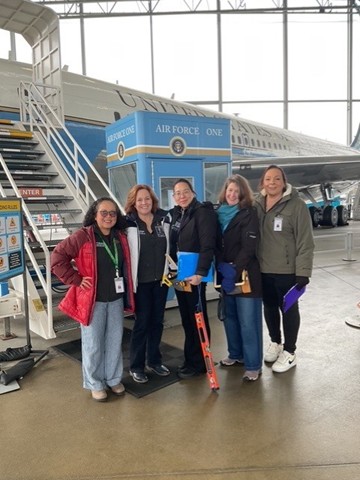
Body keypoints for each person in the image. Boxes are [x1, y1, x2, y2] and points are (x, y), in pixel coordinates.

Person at [51, 197, 135, 401]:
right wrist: (76, 279)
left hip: (115, 298)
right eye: (103, 213)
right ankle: (95, 382)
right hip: (92, 301)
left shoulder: (119, 236)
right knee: (93, 344)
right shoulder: (83, 236)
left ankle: (113, 379)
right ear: (94, 215)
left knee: (114, 341)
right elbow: (57, 258)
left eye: (112, 213)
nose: (108, 217)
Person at [254, 165, 314, 373]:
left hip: (288, 272)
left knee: (288, 309)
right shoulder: (257, 204)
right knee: (269, 307)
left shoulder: (297, 206)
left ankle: (290, 352)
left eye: (276, 179)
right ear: (263, 182)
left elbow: (305, 241)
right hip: (263, 269)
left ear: (283, 182)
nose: (272, 183)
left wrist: (303, 272)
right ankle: (275, 342)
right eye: (268, 179)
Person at [215, 174, 263, 381]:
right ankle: (236, 355)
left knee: (248, 322)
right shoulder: (218, 214)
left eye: (236, 191)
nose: (232, 194)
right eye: (229, 190)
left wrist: (233, 269)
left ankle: (252, 365)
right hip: (224, 274)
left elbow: (249, 246)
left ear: (243, 193)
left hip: (245, 275)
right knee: (230, 317)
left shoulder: (248, 214)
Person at [169, 178, 217, 378]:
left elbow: (208, 245)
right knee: (187, 319)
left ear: (193, 193)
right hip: (180, 275)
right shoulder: (177, 215)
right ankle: (191, 358)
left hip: (194, 276)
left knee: (198, 318)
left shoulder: (202, 213)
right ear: (173, 196)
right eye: (178, 193)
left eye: (185, 191)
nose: (182, 195)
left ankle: (199, 363)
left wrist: (200, 273)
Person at [125, 184, 170, 384]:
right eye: (140, 199)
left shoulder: (163, 220)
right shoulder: (128, 224)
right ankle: (136, 366)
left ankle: (154, 360)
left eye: (147, 199)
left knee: (157, 322)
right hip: (140, 284)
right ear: (134, 203)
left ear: (153, 201)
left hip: (161, 282)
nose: (144, 203)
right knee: (141, 324)